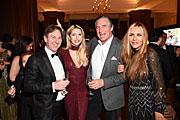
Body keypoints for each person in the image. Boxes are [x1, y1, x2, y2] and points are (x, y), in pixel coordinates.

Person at [120, 22, 166, 120]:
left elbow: (159, 84)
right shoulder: (131, 55)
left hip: (147, 105)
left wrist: (158, 110)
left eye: (139, 35)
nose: (134, 38)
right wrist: (125, 71)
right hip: (133, 102)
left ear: (144, 37)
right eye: (131, 35)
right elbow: (132, 80)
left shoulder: (150, 54)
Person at [24, 25, 70, 120]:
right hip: (43, 109)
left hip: (60, 105)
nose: (57, 41)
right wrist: (53, 86)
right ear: (45, 38)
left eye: (59, 38)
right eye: (53, 37)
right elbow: (28, 85)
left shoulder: (60, 56)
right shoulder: (35, 59)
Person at [85, 16, 125, 120]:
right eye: (97, 27)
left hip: (112, 95)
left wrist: (103, 82)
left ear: (111, 28)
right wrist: (62, 33)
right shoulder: (93, 42)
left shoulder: (121, 46)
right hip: (93, 93)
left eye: (104, 26)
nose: (100, 30)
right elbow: (76, 41)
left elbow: (125, 76)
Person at [58, 24, 89, 120]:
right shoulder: (61, 52)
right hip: (68, 92)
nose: (77, 38)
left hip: (83, 92)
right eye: (74, 35)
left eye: (79, 35)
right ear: (68, 37)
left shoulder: (87, 51)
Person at [8, 51, 33, 120]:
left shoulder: (41, 75)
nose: (27, 63)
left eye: (29, 60)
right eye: (24, 61)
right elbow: (17, 94)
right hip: (24, 109)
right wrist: (12, 94)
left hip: (38, 110)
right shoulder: (20, 75)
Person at [148, 30, 174, 94]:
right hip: (160, 86)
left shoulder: (142, 50)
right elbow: (169, 73)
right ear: (160, 39)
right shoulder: (163, 53)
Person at [0, 36, 17, 120]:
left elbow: (13, 63)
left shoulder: (8, 52)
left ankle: (11, 116)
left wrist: (4, 63)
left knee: (9, 94)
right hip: (0, 76)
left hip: (6, 75)